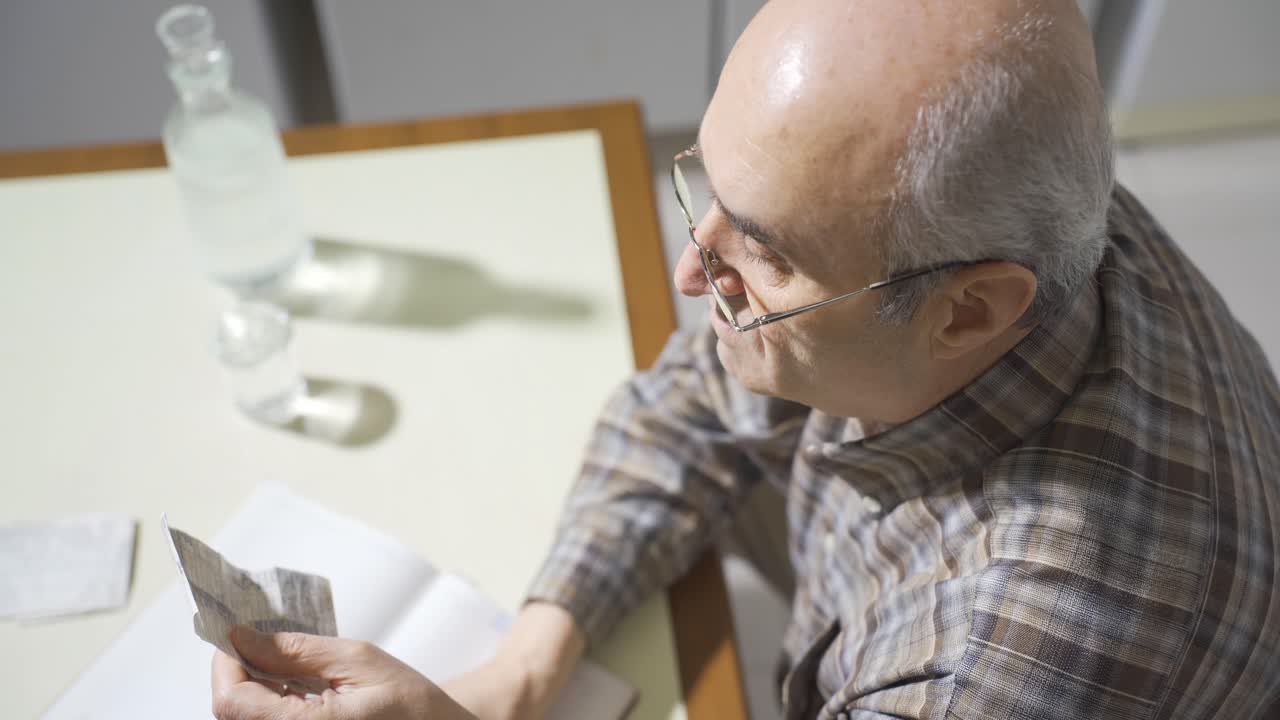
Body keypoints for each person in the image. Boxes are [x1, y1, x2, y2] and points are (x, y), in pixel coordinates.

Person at [211, 0, 1280, 718]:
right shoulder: (1006, 193)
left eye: (760, 248)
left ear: (965, 311)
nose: (690, 269)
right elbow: (688, 407)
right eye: (706, 188)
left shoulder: (992, 675)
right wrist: (521, 669)